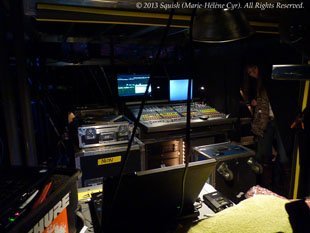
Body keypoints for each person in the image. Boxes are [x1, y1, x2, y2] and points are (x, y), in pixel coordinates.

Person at [242, 63, 290, 195]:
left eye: (254, 69)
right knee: (264, 156)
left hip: (278, 120)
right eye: (250, 72)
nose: (252, 73)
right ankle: (267, 189)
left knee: (284, 156)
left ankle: (286, 189)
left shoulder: (270, 81)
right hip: (266, 122)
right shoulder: (255, 85)